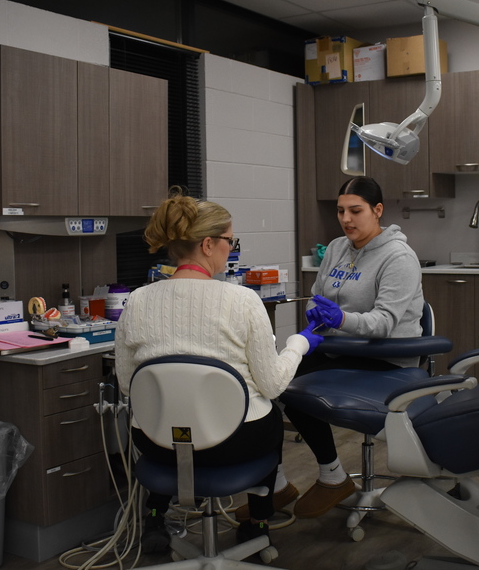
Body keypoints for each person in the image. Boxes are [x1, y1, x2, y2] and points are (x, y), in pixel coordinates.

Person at [114, 187, 323, 551]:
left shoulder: (137, 300)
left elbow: (128, 386)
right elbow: (272, 385)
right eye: (230, 240)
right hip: (233, 445)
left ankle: (154, 517)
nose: (232, 248)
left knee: (172, 416)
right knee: (271, 416)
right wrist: (299, 344)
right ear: (208, 245)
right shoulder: (242, 300)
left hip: (159, 443)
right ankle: (257, 525)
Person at [282, 176, 424, 520]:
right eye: (341, 211)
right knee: (278, 381)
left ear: (377, 211)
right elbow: (319, 294)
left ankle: (329, 479)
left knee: (297, 385)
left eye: (355, 211)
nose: (346, 219)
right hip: (342, 349)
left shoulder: (398, 257)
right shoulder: (336, 249)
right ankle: (301, 481)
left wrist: (340, 319)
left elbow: (384, 322)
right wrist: (316, 314)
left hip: (385, 358)